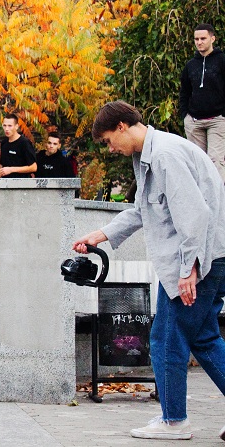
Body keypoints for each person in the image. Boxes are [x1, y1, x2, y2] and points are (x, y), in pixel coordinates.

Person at [73, 101, 225, 441]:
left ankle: (174, 421)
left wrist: (190, 270)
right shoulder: (148, 157)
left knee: (165, 339)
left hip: (197, 261)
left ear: (124, 126)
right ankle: (174, 418)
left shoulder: (166, 156)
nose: (110, 148)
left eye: (109, 140)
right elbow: (142, 210)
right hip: (203, 259)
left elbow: (195, 215)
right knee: (203, 338)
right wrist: (100, 235)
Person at [179, 23, 225, 182]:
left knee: (216, 161)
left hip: (217, 120)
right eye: (196, 39)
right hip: (194, 121)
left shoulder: (221, 60)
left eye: (203, 38)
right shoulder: (190, 65)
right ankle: (200, 201)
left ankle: (218, 202)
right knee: (196, 162)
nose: (199, 42)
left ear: (212, 38)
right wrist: (185, 115)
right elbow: (184, 91)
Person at [0, 113, 36, 178]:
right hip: (5, 184)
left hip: (21, 184)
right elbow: (1, 166)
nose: (6, 129)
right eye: (4, 125)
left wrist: (11, 169)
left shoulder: (24, 143)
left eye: (10, 126)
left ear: (16, 126)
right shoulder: (4, 142)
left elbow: (33, 167)